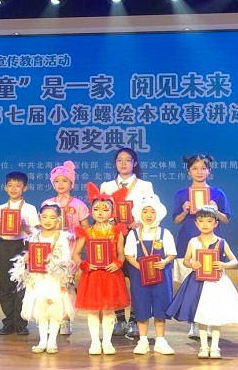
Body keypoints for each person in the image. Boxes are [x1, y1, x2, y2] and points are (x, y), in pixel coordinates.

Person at [166, 207, 238, 359]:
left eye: (209, 221)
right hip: (197, 282)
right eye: (201, 221)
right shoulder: (193, 242)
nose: (205, 224)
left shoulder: (221, 242)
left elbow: (234, 260)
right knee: (201, 313)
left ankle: (215, 347)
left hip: (216, 283)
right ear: (196, 223)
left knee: (216, 313)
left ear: (215, 223)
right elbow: (186, 260)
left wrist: (224, 265)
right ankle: (203, 346)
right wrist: (192, 264)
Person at [171, 154, 231, 338]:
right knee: (192, 287)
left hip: (212, 245)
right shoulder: (181, 194)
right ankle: (194, 323)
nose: (199, 172)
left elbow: (226, 219)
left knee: (211, 286)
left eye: (203, 168)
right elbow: (176, 220)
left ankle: (211, 321)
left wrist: (216, 210)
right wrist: (184, 211)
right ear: (188, 171)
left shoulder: (218, 194)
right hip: (188, 243)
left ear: (209, 171)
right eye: (195, 168)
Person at [100, 147, 154, 338]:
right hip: (113, 235)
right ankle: (119, 319)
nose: (123, 163)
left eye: (128, 160)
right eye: (119, 160)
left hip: (136, 234)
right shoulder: (107, 186)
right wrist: (109, 220)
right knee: (114, 276)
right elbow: (100, 208)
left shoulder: (145, 185)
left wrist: (140, 221)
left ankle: (135, 320)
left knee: (136, 277)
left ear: (135, 163)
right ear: (115, 163)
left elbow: (151, 208)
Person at [72, 183, 131, 355]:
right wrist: (83, 264)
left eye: (105, 210)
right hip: (92, 276)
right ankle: (95, 342)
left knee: (108, 309)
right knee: (93, 310)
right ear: (91, 211)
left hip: (111, 275)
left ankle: (107, 341)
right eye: (96, 209)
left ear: (112, 212)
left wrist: (118, 263)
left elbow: (121, 254)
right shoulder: (87, 232)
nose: (100, 213)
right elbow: (75, 254)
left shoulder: (116, 232)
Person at [11, 204, 76, 354]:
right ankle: (42, 341)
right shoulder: (34, 236)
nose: (48, 220)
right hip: (38, 278)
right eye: (45, 217)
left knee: (54, 309)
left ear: (58, 220)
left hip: (54, 279)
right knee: (40, 309)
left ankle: (52, 341)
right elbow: (32, 253)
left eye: (52, 217)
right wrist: (28, 258)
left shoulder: (61, 238)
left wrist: (53, 261)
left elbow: (66, 259)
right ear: (40, 218)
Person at [0, 171, 39, 336]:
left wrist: (24, 226)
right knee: (6, 284)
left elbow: (35, 234)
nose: (14, 188)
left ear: (25, 188)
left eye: (18, 185)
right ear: (5, 187)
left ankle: (21, 323)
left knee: (22, 285)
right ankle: (8, 322)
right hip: (5, 246)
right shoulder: (0, 209)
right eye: (10, 185)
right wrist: (0, 225)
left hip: (23, 247)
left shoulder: (30, 209)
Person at [124, 194, 177, 355]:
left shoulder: (164, 233)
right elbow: (128, 255)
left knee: (161, 306)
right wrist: (138, 266)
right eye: (145, 211)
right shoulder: (133, 234)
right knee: (141, 305)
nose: (148, 215)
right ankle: (143, 341)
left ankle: (160, 341)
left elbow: (172, 254)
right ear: (139, 213)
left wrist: (165, 262)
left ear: (158, 213)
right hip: (139, 276)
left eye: (152, 212)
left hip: (161, 275)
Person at [41, 160, 89, 335]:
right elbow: (42, 226)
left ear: (72, 183)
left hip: (70, 251)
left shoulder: (79, 205)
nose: (60, 184)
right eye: (56, 181)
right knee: (50, 285)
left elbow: (86, 229)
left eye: (64, 181)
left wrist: (75, 235)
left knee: (66, 285)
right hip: (51, 251)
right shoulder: (47, 203)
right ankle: (51, 317)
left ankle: (66, 320)